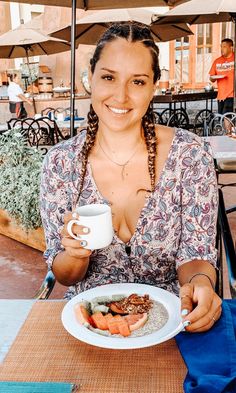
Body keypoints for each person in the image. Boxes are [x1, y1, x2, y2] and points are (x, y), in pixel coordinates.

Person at [40, 22, 222, 333]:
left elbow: (197, 254)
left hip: (172, 323)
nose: (121, 96)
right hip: (92, 325)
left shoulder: (189, 156)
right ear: (91, 78)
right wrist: (74, 255)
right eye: (109, 77)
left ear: (154, 86)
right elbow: (65, 275)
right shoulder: (60, 163)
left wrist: (200, 284)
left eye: (137, 82)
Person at [209, 38, 234, 114]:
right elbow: (211, 78)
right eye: (221, 47)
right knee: (221, 117)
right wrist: (213, 78)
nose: (222, 49)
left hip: (232, 95)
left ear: (231, 47)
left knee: (227, 118)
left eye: (224, 47)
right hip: (220, 96)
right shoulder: (217, 61)